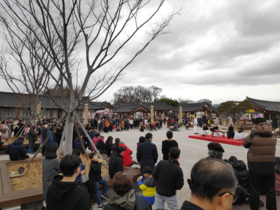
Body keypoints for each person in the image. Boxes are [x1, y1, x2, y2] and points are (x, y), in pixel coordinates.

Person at [243, 117, 277, 210]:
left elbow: (245, 144)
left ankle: (255, 208)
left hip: (255, 165)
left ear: (256, 125)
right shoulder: (273, 136)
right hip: (269, 165)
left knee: (255, 189)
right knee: (270, 190)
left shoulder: (252, 136)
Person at [42, 144, 60, 210]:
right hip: (53, 185)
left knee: (47, 200)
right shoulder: (55, 160)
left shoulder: (43, 159)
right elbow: (62, 169)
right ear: (54, 151)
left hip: (45, 184)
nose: (58, 151)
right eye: (57, 150)